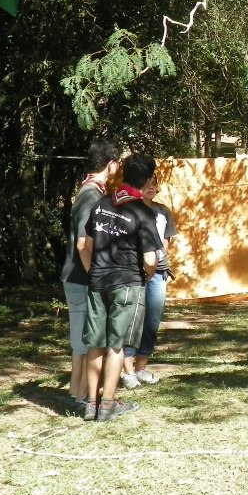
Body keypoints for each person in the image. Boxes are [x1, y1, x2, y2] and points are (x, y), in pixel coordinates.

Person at [80, 154, 162, 421]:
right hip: (126, 283)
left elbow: (86, 244)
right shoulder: (143, 212)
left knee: (95, 344)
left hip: (97, 281)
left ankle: (91, 404)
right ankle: (107, 405)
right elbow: (150, 260)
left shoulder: (102, 203)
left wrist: (96, 270)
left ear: (124, 175)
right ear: (147, 179)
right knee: (116, 346)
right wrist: (148, 276)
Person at [59, 138, 121, 412]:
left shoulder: (90, 191)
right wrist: (97, 275)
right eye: (118, 162)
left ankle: (78, 393)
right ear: (111, 164)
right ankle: (83, 397)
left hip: (79, 277)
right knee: (87, 340)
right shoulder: (90, 194)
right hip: (81, 278)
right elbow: (84, 244)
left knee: (83, 341)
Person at [121, 174, 177, 390]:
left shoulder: (162, 211)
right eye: (146, 184)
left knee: (152, 321)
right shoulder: (128, 209)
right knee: (132, 322)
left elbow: (166, 242)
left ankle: (141, 368)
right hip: (133, 272)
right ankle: (127, 372)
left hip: (159, 271)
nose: (151, 187)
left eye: (154, 184)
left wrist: (157, 263)